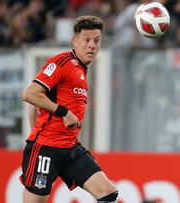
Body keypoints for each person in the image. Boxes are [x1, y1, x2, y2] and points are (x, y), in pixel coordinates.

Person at [20, 15, 118, 203]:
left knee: (108, 193)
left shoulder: (81, 69)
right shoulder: (62, 62)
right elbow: (30, 94)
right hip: (46, 149)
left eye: (97, 41)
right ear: (75, 41)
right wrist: (63, 112)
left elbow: (35, 104)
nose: (92, 45)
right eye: (87, 40)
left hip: (70, 148)